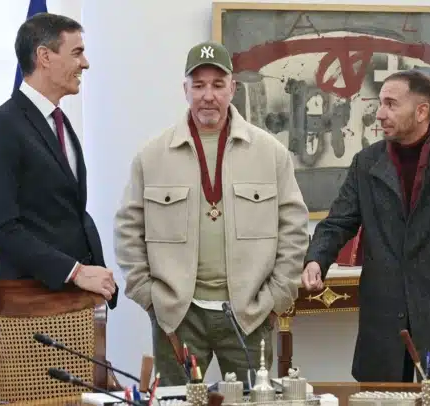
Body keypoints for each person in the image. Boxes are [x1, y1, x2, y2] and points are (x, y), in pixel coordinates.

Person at [114, 41, 309, 386]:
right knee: (176, 402)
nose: (208, 95)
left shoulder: (271, 154)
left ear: (232, 88)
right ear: (185, 90)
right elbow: (128, 231)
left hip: (249, 315)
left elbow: (293, 228)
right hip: (179, 317)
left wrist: (276, 298)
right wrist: (150, 298)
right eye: (199, 85)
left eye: (218, 85)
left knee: (253, 401)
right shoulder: (152, 156)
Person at [302, 70, 430, 384]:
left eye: (391, 104)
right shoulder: (366, 163)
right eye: (380, 103)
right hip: (382, 322)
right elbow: (339, 221)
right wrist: (316, 259)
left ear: (422, 111)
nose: (379, 113)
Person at [0, 13, 118, 307]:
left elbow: (68, 211)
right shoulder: (0, 127)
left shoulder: (59, 121)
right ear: (44, 57)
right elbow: (1, 229)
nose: (85, 63)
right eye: (76, 52)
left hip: (74, 300)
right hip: (33, 305)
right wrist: (74, 271)